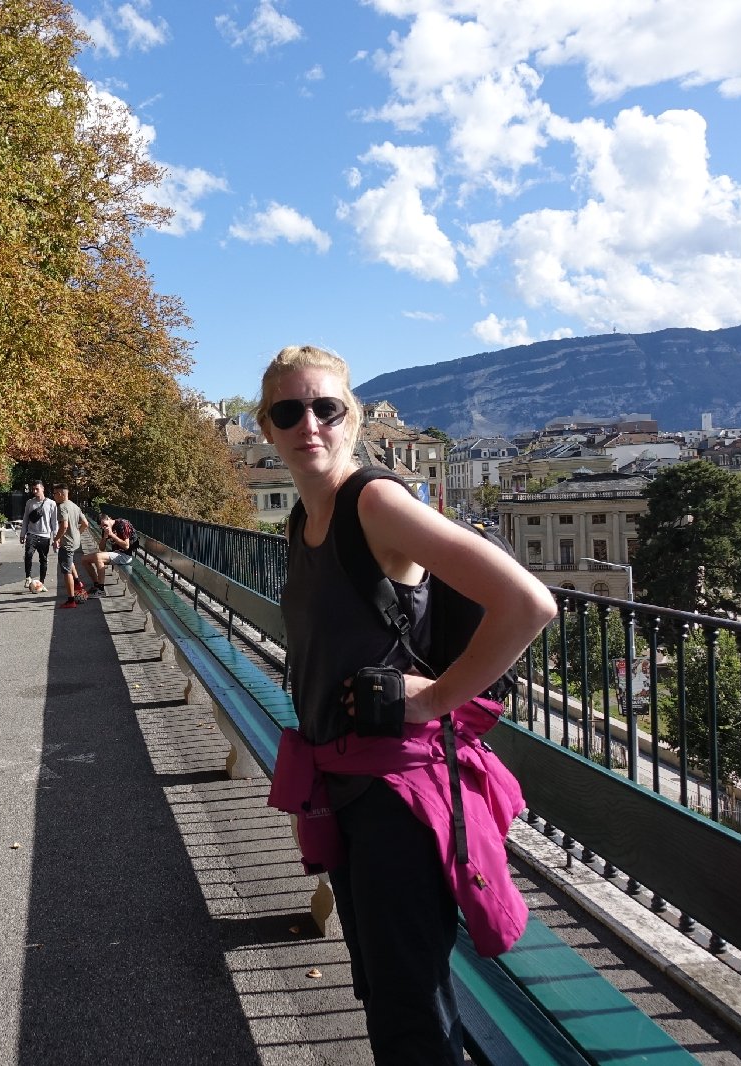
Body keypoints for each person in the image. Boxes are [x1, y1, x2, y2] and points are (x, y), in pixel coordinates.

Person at [256, 344, 555, 1064]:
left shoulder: (376, 503)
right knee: (386, 987)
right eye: (288, 411)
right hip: (345, 782)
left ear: (353, 419)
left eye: (326, 408)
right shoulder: (303, 520)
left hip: (398, 793)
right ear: (265, 427)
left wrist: (438, 698)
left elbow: (528, 603)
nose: (309, 424)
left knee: (409, 1005)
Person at [53, 484, 89, 608]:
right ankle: (78, 582)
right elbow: (85, 523)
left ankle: (71, 600)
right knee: (70, 561)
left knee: (66, 571)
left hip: (67, 543)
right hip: (75, 542)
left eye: (55, 493)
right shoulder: (74, 506)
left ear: (61, 494)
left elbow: (64, 526)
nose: (54, 496)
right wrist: (77, 533)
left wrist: (56, 539)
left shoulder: (62, 507)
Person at [81, 512, 134, 593]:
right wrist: (105, 537)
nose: (104, 527)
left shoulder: (122, 524)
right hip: (116, 553)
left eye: (105, 525)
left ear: (109, 518)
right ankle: (96, 584)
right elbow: (101, 548)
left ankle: (101, 590)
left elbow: (126, 546)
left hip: (125, 555)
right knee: (84, 559)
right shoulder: (105, 528)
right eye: (102, 526)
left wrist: (112, 535)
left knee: (98, 557)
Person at [19, 481, 57, 592]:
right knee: (28, 554)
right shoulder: (30, 503)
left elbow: (54, 522)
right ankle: (28, 577)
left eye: (37, 489)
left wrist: (56, 537)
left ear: (43, 489)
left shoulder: (51, 504)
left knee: (43, 559)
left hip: (45, 535)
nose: (35, 491)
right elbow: (26, 518)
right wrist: (22, 534)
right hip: (32, 534)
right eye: (33, 489)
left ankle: (42, 582)